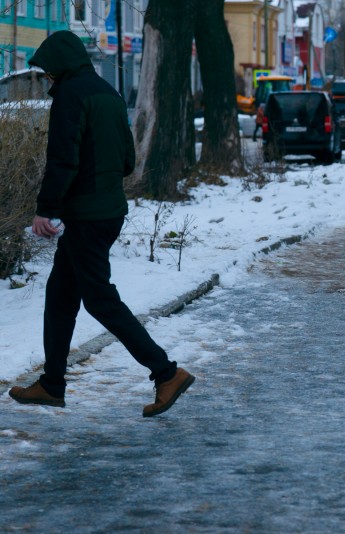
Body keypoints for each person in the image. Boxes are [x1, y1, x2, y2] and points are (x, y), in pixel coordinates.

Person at [8, 31, 195, 418]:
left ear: (59, 67)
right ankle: (51, 384)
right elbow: (127, 160)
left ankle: (166, 373)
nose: (46, 79)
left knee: (99, 300)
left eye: (47, 73)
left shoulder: (70, 96)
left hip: (87, 216)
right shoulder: (108, 93)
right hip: (106, 211)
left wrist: (46, 208)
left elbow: (63, 158)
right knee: (61, 296)